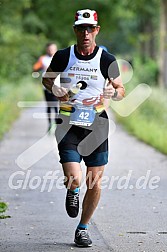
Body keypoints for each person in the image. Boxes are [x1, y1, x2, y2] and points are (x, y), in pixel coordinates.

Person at [42, 9, 125, 247]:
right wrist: (55, 89)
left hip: (97, 124)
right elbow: (47, 79)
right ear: (75, 30)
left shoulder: (107, 60)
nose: (86, 33)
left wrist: (114, 92)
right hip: (68, 123)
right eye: (81, 28)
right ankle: (72, 190)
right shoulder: (62, 56)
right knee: (75, 179)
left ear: (97, 30)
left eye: (90, 28)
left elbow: (120, 89)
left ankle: (82, 228)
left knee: (95, 181)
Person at [33, 42, 58, 132]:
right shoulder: (43, 59)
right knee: (49, 105)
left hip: (57, 86)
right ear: (47, 49)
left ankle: (55, 124)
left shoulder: (60, 58)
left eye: (53, 48)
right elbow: (35, 67)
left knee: (55, 105)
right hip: (46, 86)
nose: (51, 50)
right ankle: (50, 124)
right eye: (50, 49)